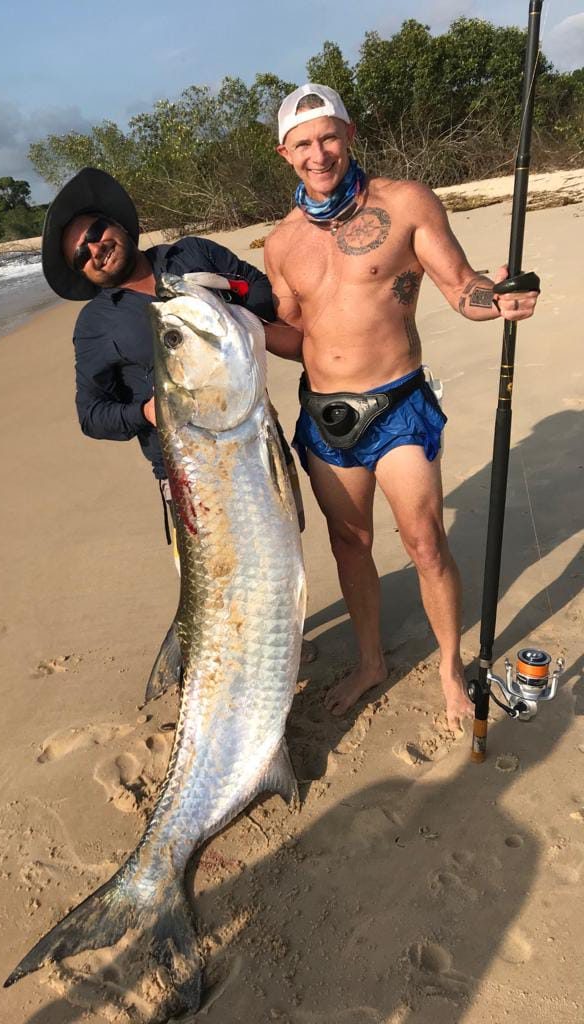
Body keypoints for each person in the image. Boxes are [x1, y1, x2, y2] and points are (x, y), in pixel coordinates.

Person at [264, 84, 540, 730]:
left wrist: (495, 300)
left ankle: (449, 669)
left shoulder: (407, 203)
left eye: (328, 136)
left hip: (398, 407)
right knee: (350, 543)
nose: (318, 153)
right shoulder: (280, 245)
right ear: (285, 154)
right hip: (325, 421)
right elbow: (291, 335)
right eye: (303, 144)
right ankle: (369, 662)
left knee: (424, 541)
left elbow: (460, 285)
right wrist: (232, 328)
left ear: (350, 134)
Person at [41, 168, 315, 659]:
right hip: (189, 471)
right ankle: (237, 666)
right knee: (221, 578)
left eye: (96, 234)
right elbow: (92, 414)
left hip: (253, 434)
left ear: (118, 224)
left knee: (279, 551)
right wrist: (148, 411)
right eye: (81, 255)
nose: (95, 250)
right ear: (82, 273)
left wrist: (223, 293)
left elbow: (262, 294)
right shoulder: (95, 326)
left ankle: (281, 643)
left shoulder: (192, 253)